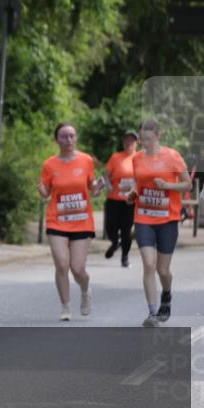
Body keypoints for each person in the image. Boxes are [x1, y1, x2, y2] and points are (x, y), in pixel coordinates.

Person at [125, 119, 192, 327]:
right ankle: (153, 312)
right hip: (144, 217)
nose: (145, 143)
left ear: (158, 136)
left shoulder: (172, 156)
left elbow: (187, 183)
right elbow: (139, 182)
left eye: (148, 139)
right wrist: (134, 193)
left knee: (163, 270)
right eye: (142, 139)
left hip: (167, 219)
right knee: (148, 264)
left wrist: (168, 185)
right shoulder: (137, 159)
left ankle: (167, 293)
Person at [38, 123, 104, 321]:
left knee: (77, 268)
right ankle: (66, 306)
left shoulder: (86, 161)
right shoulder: (50, 165)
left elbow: (92, 188)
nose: (68, 140)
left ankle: (85, 290)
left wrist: (97, 187)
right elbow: (46, 192)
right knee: (61, 264)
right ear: (57, 139)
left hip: (81, 221)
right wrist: (42, 191)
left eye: (71, 136)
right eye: (63, 136)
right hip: (57, 221)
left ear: (76, 139)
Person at [103, 130, 139, 268]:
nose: (129, 143)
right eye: (126, 140)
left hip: (130, 200)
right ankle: (114, 242)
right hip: (114, 198)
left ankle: (125, 256)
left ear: (137, 143)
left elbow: (143, 178)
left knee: (126, 230)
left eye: (132, 141)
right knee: (110, 228)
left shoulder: (140, 158)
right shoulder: (116, 157)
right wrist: (109, 186)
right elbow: (106, 176)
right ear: (123, 142)